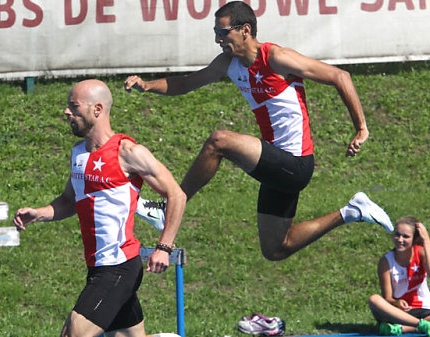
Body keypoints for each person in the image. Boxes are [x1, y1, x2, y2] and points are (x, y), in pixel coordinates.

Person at [14, 79, 255, 337]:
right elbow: (68, 201)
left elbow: (176, 195)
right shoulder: (78, 154)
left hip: (118, 268)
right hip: (100, 270)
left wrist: (164, 246)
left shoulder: (128, 152)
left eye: (73, 106)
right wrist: (40, 213)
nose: (66, 112)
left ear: (97, 110)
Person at [125, 1, 393, 260]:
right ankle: (352, 211)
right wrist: (146, 86)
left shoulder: (276, 57)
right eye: (215, 33)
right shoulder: (226, 63)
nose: (218, 39)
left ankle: (168, 208)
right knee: (275, 248)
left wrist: (361, 128)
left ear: (245, 30)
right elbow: (186, 83)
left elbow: (340, 76)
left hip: (296, 163)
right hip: (277, 163)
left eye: (223, 32)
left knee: (219, 141)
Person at [369, 217, 430, 336]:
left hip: (424, 309)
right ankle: (421, 325)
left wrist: (427, 241)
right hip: (399, 312)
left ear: (414, 239)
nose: (400, 240)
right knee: (374, 299)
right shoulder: (386, 261)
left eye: (406, 236)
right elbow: (387, 297)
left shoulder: (421, 252)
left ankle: (402, 329)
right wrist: (397, 303)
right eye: (397, 235)